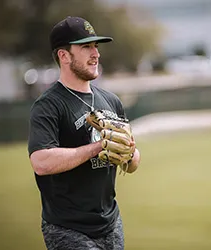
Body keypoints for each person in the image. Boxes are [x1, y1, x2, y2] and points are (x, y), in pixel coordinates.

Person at [28, 16, 141, 250]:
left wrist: (129, 153)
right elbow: (41, 162)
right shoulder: (49, 105)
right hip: (67, 228)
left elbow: (131, 163)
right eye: (86, 46)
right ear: (64, 55)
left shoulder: (111, 100)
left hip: (111, 223)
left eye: (96, 46)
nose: (96, 54)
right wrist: (98, 147)